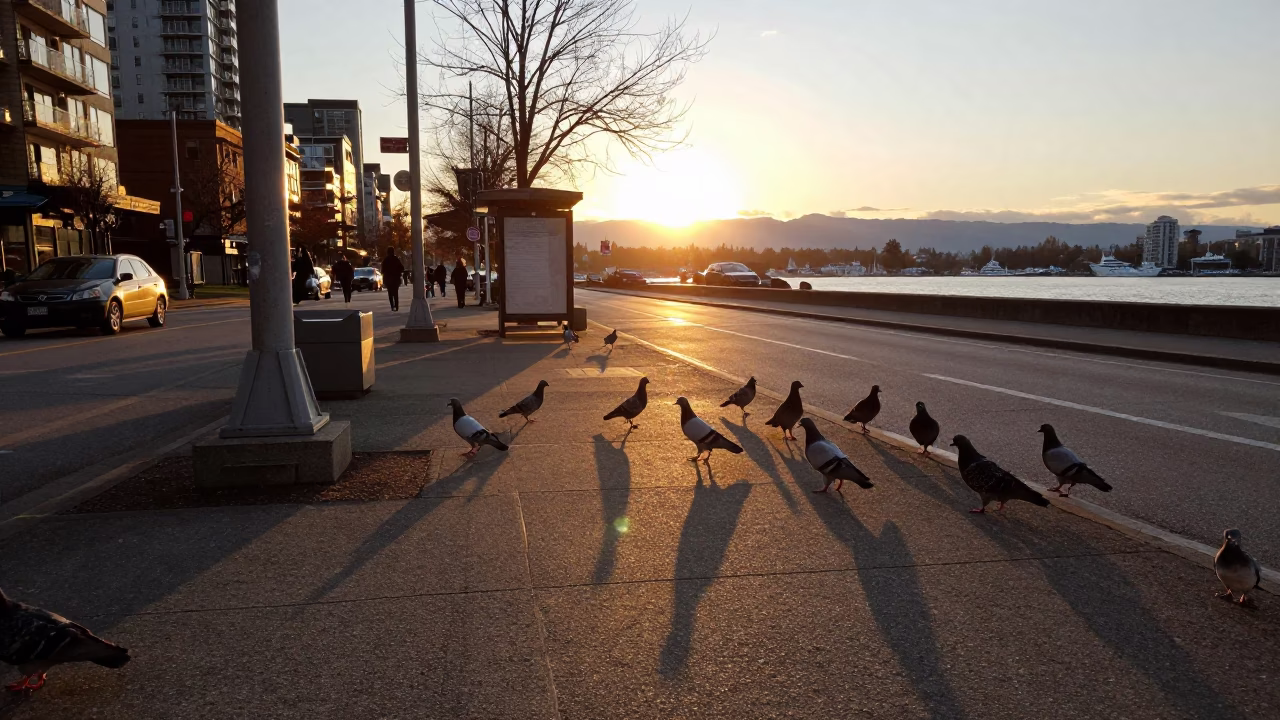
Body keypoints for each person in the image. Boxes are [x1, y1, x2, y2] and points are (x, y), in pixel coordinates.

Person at [381, 247, 405, 311]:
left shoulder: (385, 260)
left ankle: (392, 306)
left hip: (388, 279)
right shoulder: (396, 259)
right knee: (395, 293)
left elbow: (382, 270)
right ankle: (396, 306)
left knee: (390, 293)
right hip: (396, 279)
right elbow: (402, 268)